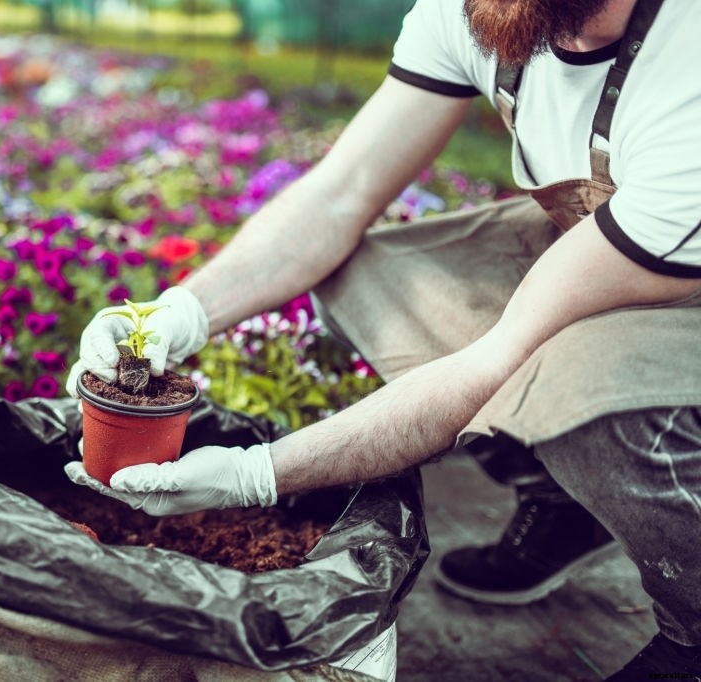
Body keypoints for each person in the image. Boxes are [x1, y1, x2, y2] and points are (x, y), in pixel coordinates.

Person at [63, 0, 701, 678]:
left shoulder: (684, 77)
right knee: (369, 278)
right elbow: (342, 193)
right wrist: (179, 312)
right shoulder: (482, 9)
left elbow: (494, 362)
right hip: (621, 253)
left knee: (584, 386)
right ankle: (563, 498)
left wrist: (254, 476)